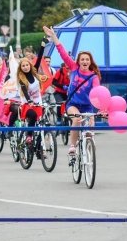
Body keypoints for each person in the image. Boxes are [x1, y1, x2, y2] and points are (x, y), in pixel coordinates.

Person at [43, 25, 101, 155]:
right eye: (82, 59)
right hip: (73, 104)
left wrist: (103, 108)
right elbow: (62, 52)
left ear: (90, 62)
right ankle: (73, 146)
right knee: (77, 119)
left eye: (87, 59)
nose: (85, 61)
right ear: (78, 61)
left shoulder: (93, 77)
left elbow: (98, 93)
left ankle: (89, 146)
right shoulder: (74, 68)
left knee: (91, 125)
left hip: (87, 106)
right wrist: (53, 37)